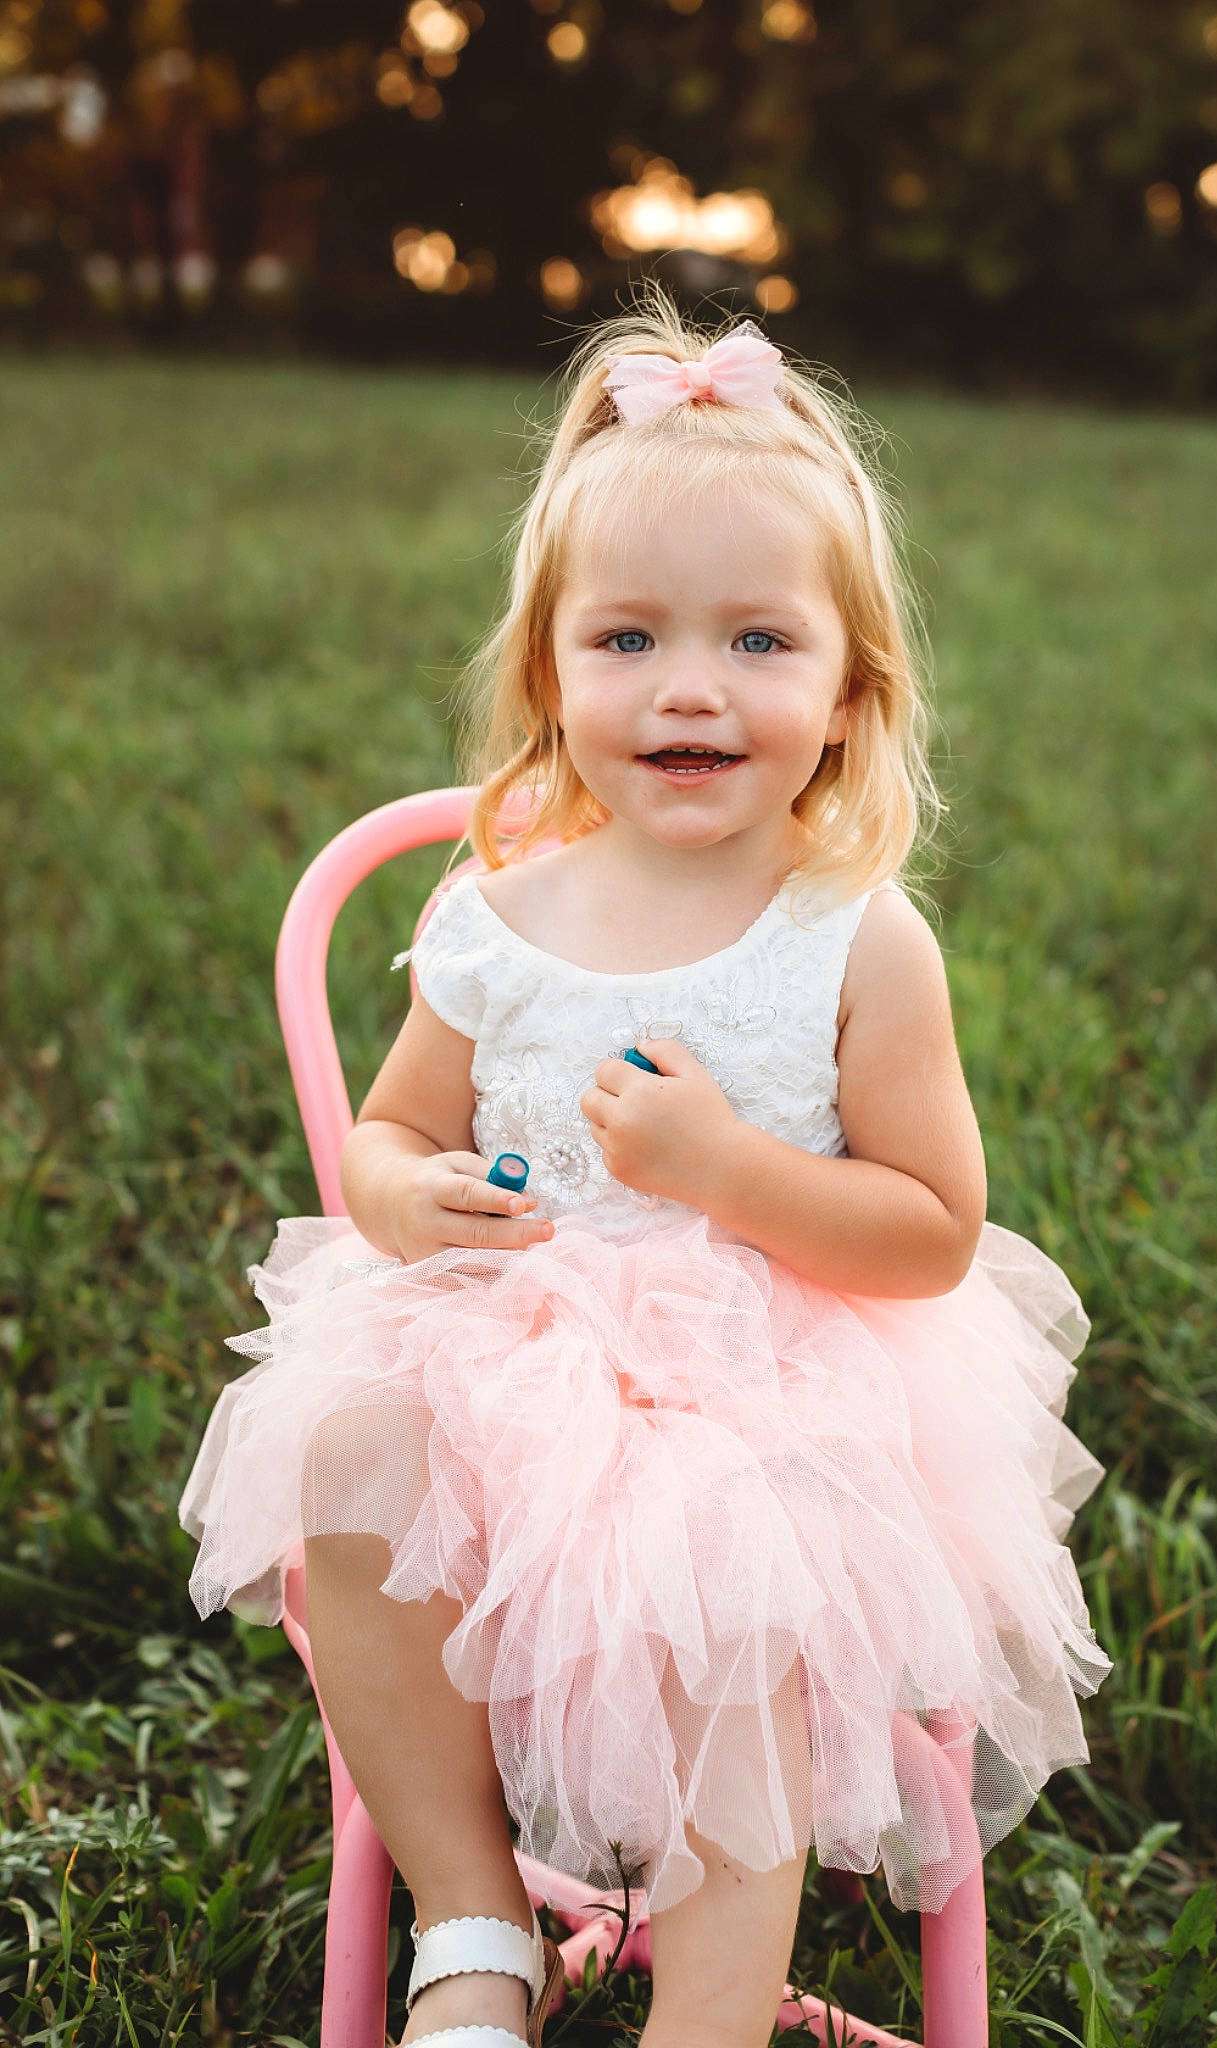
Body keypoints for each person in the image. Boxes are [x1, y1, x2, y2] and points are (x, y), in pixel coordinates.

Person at [178, 286, 1113, 2048]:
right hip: (507, 1370)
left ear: (850, 694)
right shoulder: (496, 915)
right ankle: (470, 1925)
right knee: (352, 1454)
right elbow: (390, 1124)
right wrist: (393, 1196)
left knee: (729, 1584)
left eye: (759, 643)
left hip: (773, 1395)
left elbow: (927, 1235)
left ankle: (707, 2014)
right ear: (549, 670)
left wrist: (725, 1167)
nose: (689, 686)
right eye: (627, 641)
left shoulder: (854, 939)